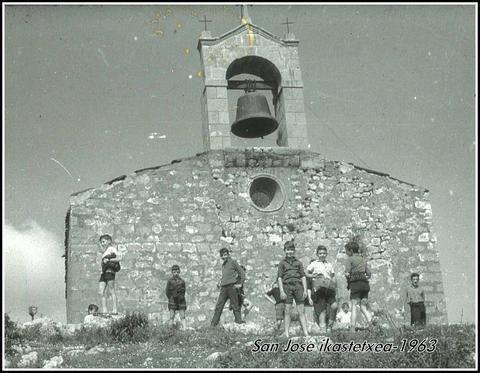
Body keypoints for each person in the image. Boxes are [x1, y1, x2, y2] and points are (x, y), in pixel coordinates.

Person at [277, 240, 309, 338]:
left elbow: (303, 276)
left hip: (298, 287)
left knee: (301, 310)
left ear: (294, 251)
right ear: (284, 251)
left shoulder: (298, 263)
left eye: (291, 250)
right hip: (287, 287)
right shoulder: (282, 263)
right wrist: (281, 291)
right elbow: (279, 278)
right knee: (287, 310)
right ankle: (286, 333)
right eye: (287, 250)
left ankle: (306, 333)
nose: (289, 252)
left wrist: (305, 290)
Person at [306, 245, 338, 333]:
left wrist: (334, 285)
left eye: (324, 253)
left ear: (326, 254)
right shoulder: (314, 263)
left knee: (334, 306)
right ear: (317, 254)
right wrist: (311, 275)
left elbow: (333, 276)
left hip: (329, 288)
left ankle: (330, 325)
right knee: (322, 309)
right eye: (320, 253)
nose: (322, 255)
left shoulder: (329, 264)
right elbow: (306, 273)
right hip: (319, 289)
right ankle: (323, 329)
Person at [211, 248, 245, 326]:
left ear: (228, 254)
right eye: (222, 255)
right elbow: (226, 275)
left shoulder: (233, 262)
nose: (224, 257)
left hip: (232, 287)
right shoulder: (223, 265)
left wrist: (241, 284)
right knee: (219, 306)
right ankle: (213, 325)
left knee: (235, 306)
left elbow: (242, 273)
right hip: (223, 288)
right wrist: (220, 282)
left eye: (225, 255)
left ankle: (239, 323)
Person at [344, 241, 373, 332]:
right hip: (365, 284)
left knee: (354, 305)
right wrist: (363, 277)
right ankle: (372, 324)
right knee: (363, 306)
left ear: (351, 251)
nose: (346, 253)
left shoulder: (350, 259)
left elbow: (347, 273)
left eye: (347, 251)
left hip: (355, 284)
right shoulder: (363, 259)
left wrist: (349, 277)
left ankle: (352, 328)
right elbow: (369, 273)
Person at [98, 234, 120, 314]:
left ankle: (114, 309)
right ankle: (104, 310)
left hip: (110, 271)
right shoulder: (105, 252)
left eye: (103, 242)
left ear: (108, 241)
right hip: (103, 272)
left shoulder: (112, 249)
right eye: (101, 242)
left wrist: (109, 260)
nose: (102, 244)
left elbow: (118, 258)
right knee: (101, 291)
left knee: (111, 290)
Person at [165, 264, 187, 329]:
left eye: (177, 272)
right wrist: (171, 297)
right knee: (171, 316)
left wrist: (181, 296)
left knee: (182, 316)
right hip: (172, 300)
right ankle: (170, 330)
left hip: (181, 300)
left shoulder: (182, 281)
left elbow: (184, 291)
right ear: (172, 272)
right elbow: (167, 291)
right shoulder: (170, 281)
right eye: (174, 272)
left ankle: (185, 329)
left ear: (179, 272)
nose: (176, 274)